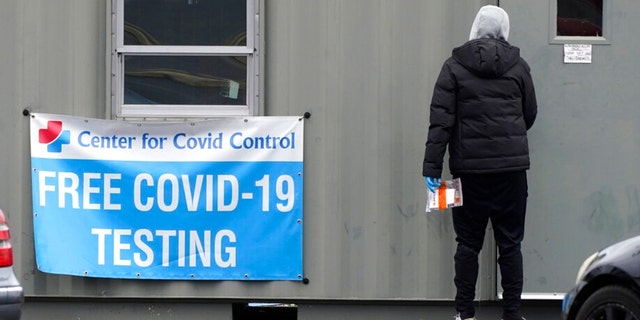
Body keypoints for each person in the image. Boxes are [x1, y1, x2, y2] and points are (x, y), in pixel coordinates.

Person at [422, 5, 537, 320]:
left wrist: (431, 169)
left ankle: (465, 313)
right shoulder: (519, 66)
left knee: (468, 244)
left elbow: (440, 123)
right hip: (511, 173)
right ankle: (512, 314)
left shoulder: (453, 67)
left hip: (469, 173)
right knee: (511, 244)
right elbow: (529, 113)